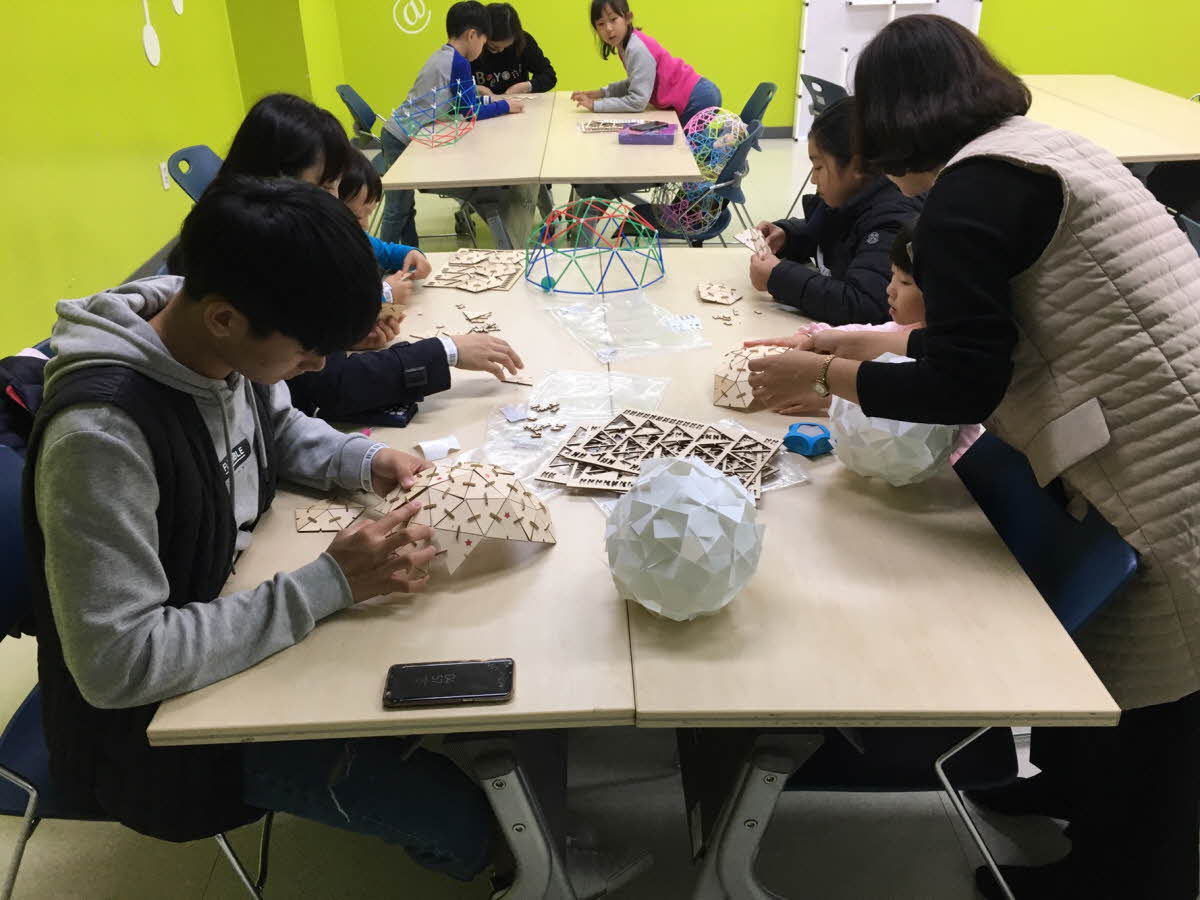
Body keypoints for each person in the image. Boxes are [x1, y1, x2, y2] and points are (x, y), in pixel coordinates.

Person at [746, 15, 1200, 900]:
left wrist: (828, 374)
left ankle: (1122, 875)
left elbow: (966, 380)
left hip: (1166, 460)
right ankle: (1061, 790)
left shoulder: (968, 195)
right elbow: (990, 333)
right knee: (1108, 656)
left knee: (1157, 691)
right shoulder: (1032, 151)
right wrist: (867, 345)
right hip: (1155, 425)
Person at [22, 176, 496, 882]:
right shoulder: (102, 437)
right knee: (464, 819)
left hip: (234, 609)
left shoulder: (217, 339)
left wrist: (365, 460)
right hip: (154, 736)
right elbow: (119, 664)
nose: (319, 368)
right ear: (224, 318)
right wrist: (327, 584)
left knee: (454, 675)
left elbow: (275, 426)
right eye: (307, 353)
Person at [212, 103, 524, 424]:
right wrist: (445, 351)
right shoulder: (263, 264)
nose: (338, 207)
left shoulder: (272, 242)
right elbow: (325, 386)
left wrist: (342, 339)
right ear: (271, 184)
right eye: (326, 187)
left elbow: (309, 377)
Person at [746, 224, 982, 463]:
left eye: (905, 282)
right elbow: (865, 333)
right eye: (892, 275)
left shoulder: (957, 367)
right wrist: (813, 337)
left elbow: (911, 420)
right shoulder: (906, 328)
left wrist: (829, 394)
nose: (889, 289)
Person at [749, 97, 923, 325]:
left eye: (819, 167)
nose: (813, 179)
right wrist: (787, 236)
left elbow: (865, 305)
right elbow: (828, 238)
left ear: (857, 167)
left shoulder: (891, 221)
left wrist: (778, 277)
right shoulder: (845, 200)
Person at [380, 1, 525, 246]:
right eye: (483, 42)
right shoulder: (459, 63)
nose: (483, 48)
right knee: (398, 209)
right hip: (400, 138)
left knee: (404, 208)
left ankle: (407, 255)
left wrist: (492, 100)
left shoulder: (444, 55)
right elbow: (469, 112)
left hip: (399, 134)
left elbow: (462, 101)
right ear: (472, 35)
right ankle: (381, 261)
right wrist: (505, 106)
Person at [571, 0, 720, 129]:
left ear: (628, 18)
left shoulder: (636, 48)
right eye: (601, 24)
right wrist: (602, 93)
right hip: (697, 95)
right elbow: (637, 82)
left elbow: (637, 101)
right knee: (694, 147)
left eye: (613, 19)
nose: (608, 28)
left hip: (696, 98)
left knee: (689, 149)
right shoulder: (627, 45)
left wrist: (595, 105)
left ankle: (730, 144)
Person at [473, 3, 557, 97]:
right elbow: (459, 84)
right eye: (493, 48)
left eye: (507, 46)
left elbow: (549, 75)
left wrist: (527, 86)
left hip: (517, 101)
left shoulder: (524, 41)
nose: (501, 51)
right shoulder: (473, 46)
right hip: (482, 103)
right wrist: (475, 89)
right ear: (483, 37)